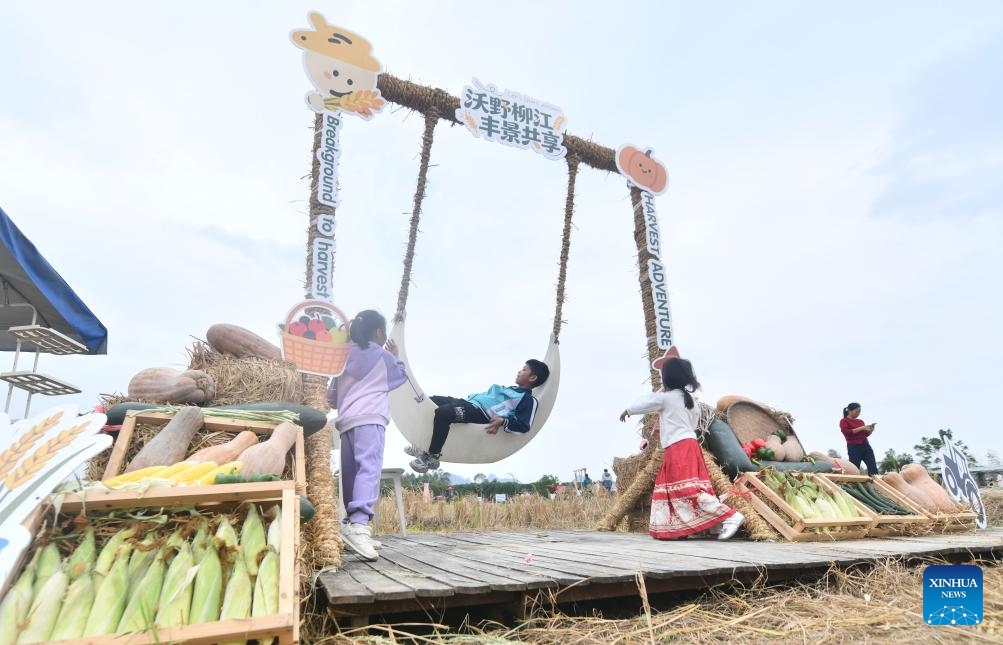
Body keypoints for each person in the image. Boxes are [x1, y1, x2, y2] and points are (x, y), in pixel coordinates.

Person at [618, 356, 744, 540]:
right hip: (691, 446)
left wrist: (628, 410)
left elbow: (645, 402)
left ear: (667, 379)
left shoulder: (666, 398)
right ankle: (708, 526)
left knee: (687, 491)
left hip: (678, 448)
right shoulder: (691, 401)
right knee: (688, 488)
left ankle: (731, 516)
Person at [327, 310, 407, 561]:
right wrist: (395, 356)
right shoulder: (383, 356)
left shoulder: (341, 360)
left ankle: (351, 525)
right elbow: (400, 376)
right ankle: (360, 525)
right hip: (371, 419)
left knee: (351, 473)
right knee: (369, 469)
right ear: (379, 333)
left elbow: (331, 398)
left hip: (347, 423)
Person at [406, 360, 550, 473]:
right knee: (430, 402)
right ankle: (421, 447)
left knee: (444, 413)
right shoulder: (511, 389)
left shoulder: (528, 399)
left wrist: (503, 421)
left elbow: (524, 425)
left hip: (481, 414)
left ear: (533, 377)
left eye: (524, 369)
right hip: (468, 403)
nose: (519, 371)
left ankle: (432, 456)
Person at [839, 402, 879, 476]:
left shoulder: (860, 421)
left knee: (873, 468)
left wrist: (871, 431)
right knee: (854, 469)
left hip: (866, 446)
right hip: (854, 447)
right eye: (857, 411)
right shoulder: (844, 421)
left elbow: (865, 435)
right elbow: (847, 432)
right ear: (850, 411)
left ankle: (875, 485)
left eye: (859, 412)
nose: (858, 413)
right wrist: (862, 428)